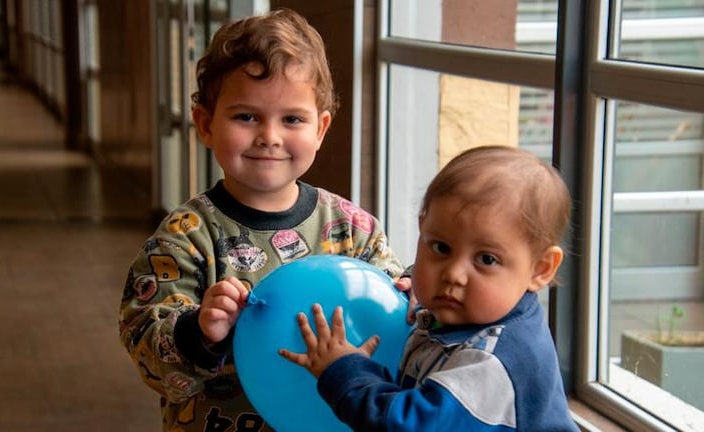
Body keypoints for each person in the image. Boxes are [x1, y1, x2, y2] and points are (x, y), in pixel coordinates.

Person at [118, 8, 410, 432]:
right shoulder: (185, 239)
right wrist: (198, 331)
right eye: (246, 116)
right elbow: (146, 349)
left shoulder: (354, 230)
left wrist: (419, 293)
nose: (269, 136)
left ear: (321, 129)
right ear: (205, 123)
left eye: (292, 119)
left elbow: (397, 318)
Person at [280, 145, 580, 431]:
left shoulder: (493, 362)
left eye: (486, 259)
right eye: (441, 247)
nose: (453, 275)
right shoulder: (468, 314)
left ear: (540, 269)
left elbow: (405, 426)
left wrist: (343, 368)